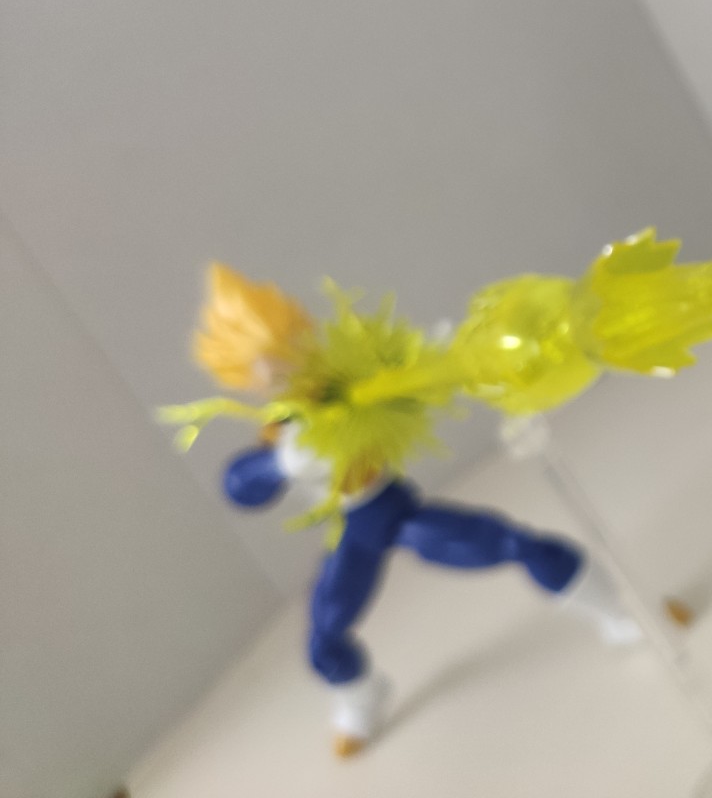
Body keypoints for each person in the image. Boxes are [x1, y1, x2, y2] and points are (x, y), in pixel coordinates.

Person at [184, 264, 640, 757]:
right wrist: (279, 463)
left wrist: (444, 356)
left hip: (397, 510)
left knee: (512, 543)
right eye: (267, 363)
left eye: (290, 344)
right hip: (354, 532)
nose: (287, 364)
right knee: (323, 637)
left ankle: (620, 613)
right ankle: (361, 699)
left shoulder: (352, 376)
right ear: (244, 375)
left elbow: (413, 367)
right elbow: (238, 486)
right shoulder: (278, 429)